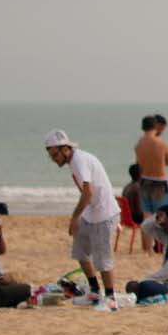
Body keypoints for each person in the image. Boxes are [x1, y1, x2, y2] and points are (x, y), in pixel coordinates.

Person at [45, 128, 120, 308]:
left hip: (104, 214)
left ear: (65, 149)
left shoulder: (79, 161)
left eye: (55, 155)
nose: (53, 159)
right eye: (51, 156)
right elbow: (86, 193)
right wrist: (80, 218)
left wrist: (74, 218)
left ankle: (110, 299)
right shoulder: (74, 161)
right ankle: (94, 291)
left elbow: (88, 193)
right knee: (80, 251)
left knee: (103, 260)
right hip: (91, 213)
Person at [135, 114, 168, 252]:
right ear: (155, 126)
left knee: (147, 217)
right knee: (164, 216)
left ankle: (148, 250)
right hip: (159, 182)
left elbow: (138, 165)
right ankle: (165, 247)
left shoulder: (139, 144)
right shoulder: (161, 143)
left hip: (145, 182)